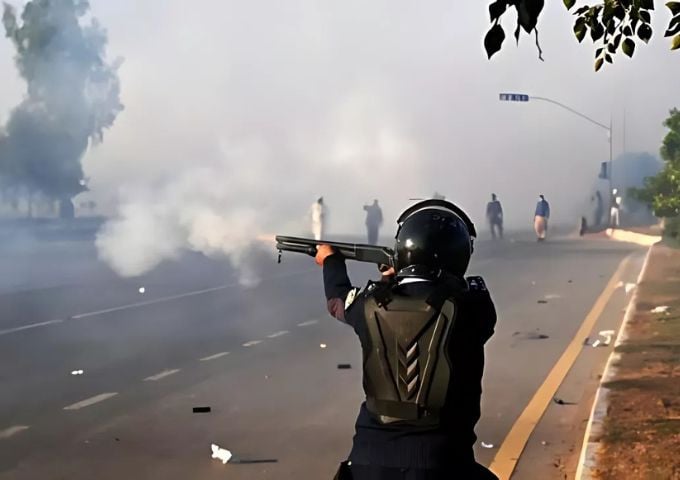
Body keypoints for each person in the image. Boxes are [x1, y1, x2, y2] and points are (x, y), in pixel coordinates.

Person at [316, 199, 498, 480]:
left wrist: (331, 261)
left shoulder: (368, 305)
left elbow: (337, 300)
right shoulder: (473, 308)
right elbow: (456, 293)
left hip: (367, 464)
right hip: (445, 463)